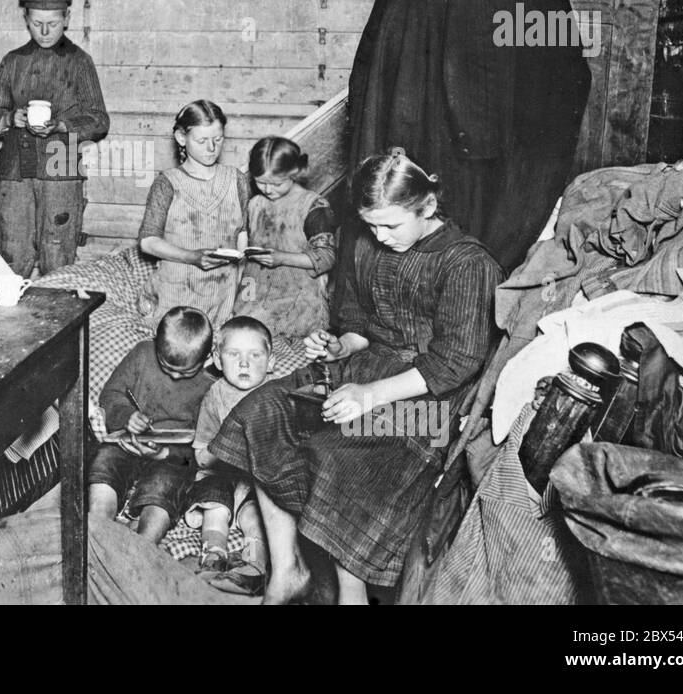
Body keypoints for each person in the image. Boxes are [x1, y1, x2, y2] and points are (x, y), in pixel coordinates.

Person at [209, 148, 502, 604]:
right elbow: (360, 326)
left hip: (430, 402)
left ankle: (353, 597)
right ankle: (287, 571)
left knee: (344, 454)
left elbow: (457, 361)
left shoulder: (467, 263)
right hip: (364, 370)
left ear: (426, 206)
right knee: (261, 411)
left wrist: (371, 395)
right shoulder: (367, 245)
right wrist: (340, 345)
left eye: (391, 224)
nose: (380, 237)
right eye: (371, 225)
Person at [0, 0, 109, 277]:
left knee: (58, 252)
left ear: (67, 19)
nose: (44, 32)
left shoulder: (80, 62)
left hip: (61, 163)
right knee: (10, 253)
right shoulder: (13, 61)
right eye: (37, 23)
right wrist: (9, 118)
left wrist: (63, 125)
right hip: (15, 167)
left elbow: (99, 119)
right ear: (26, 19)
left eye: (52, 24)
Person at [89, 306, 215, 544]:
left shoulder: (210, 387)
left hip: (171, 458)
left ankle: (145, 544)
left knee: (165, 486)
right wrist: (127, 415)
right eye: (166, 366)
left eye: (186, 372)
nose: (175, 377)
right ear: (155, 342)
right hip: (126, 442)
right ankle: (98, 529)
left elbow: (199, 449)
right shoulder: (142, 353)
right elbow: (110, 393)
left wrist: (166, 453)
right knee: (103, 462)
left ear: (207, 358)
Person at [138, 100, 250, 329]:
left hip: (223, 292)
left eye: (218, 139)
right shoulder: (167, 182)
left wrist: (239, 280)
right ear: (182, 138)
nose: (211, 148)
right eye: (201, 141)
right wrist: (192, 257)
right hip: (177, 289)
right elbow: (148, 243)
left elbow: (242, 235)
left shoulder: (236, 179)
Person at [185, 315, 276, 595]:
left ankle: (254, 566)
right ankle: (213, 554)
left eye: (255, 355)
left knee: (257, 514)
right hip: (220, 473)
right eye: (234, 354)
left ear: (271, 362)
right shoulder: (215, 396)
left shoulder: (277, 393)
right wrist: (226, 454)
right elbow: (200, 452)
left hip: (257, 481)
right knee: (215, 507)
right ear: (217, 359)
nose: (244, 363)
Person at [235, 136, 338, 337]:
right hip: (255, 293)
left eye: (276, 183)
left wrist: (281, 258)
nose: (267, 189)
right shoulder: (255, 204)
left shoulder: (313, 206)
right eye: (260, 182)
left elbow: (327, 258)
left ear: (294, 172)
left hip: (298, 301)